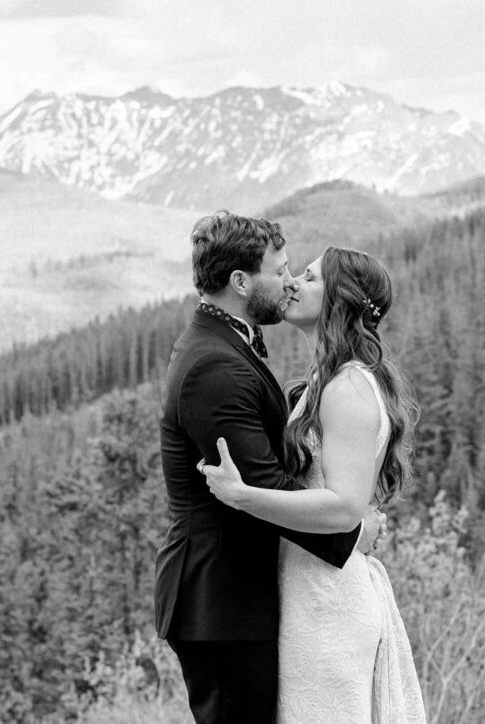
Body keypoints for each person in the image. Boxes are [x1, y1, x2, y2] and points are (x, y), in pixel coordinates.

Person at [154, 213, 385, 724]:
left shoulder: (231, 344)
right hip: (221, 604)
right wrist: (351, 527)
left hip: (252, 600)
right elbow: (262, 484)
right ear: (240, 281)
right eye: (279, 270)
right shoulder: (214, 364)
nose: (288, 283)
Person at [202, 245, 428, 724]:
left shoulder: (348, 386)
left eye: (308, 278)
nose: (292, 285)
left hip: (329, 601)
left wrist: (243, 496)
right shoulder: (326, 381)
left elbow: (344, 508)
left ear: (339, 299)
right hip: (307, 591)